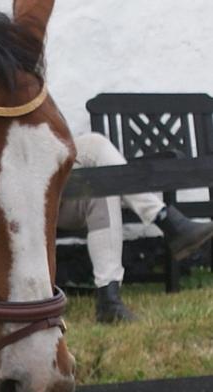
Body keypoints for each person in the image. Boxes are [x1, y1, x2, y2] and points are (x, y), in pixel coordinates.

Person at [58, 129, 213, 322]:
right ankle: (166, 220)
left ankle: (109, 301)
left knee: (104, 186)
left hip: (55, 190)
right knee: (96, 147)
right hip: (25, 203)